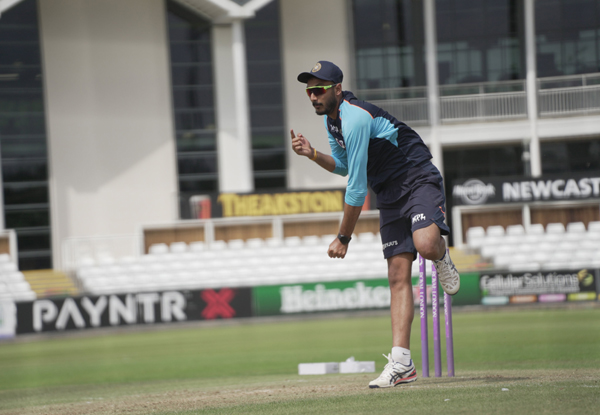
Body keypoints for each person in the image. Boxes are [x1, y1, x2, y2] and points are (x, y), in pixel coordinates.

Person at [290, 61, 460, 389]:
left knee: (425, 245)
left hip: (416, 177)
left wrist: (344, 237)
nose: (313, 96)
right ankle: (402, 364)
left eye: (319, 89)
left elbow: (355, 187)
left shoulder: (354, 116)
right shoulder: (333, 121)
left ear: (337, 89)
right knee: (397, 276)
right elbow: (343, 166)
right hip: (389, 192)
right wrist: (313, 154)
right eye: (309, 90)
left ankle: (441, 255)